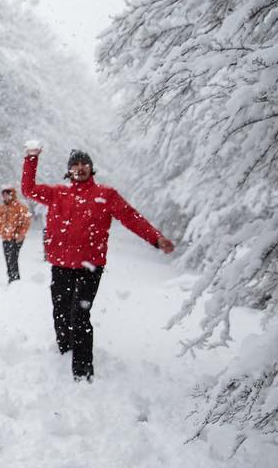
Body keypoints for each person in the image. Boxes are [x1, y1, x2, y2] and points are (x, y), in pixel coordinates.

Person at [21, 147, 175, 381]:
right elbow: (28, 189)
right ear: (69, 171)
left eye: (85, 164)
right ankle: (65, 354)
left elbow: (131, 218)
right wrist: (32, 158)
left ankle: (82, 372)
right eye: (75, 164)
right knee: (61, 314)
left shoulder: (106, 195)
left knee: (79, 316)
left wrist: (156, 238)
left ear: (91, 168)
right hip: (61, 265)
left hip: (89, 267)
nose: (80, 168)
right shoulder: (58, 194)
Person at [0, 186, 31, 283]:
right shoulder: (1, 208)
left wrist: (21, 234)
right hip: (5, 238)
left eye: (7, 195)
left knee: (13, 258)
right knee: (8, 259)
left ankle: (15, 279)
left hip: (16, 238)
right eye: (3, 195)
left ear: (12, 195)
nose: (5, 197)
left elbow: (26, 222)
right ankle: (11, 277)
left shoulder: (20, 207)